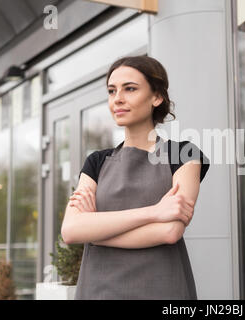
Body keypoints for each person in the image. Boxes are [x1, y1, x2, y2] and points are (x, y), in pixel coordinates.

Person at [60, 55, 210, 300]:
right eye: (111, 91)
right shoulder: (96, 162)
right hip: (98, 291)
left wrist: (96, 231)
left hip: (161, 290)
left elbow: (170, 231)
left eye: (130, 89)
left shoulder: (184, 154)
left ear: (157, 97)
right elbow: (71, 230)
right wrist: (154, 212)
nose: (117, 98)